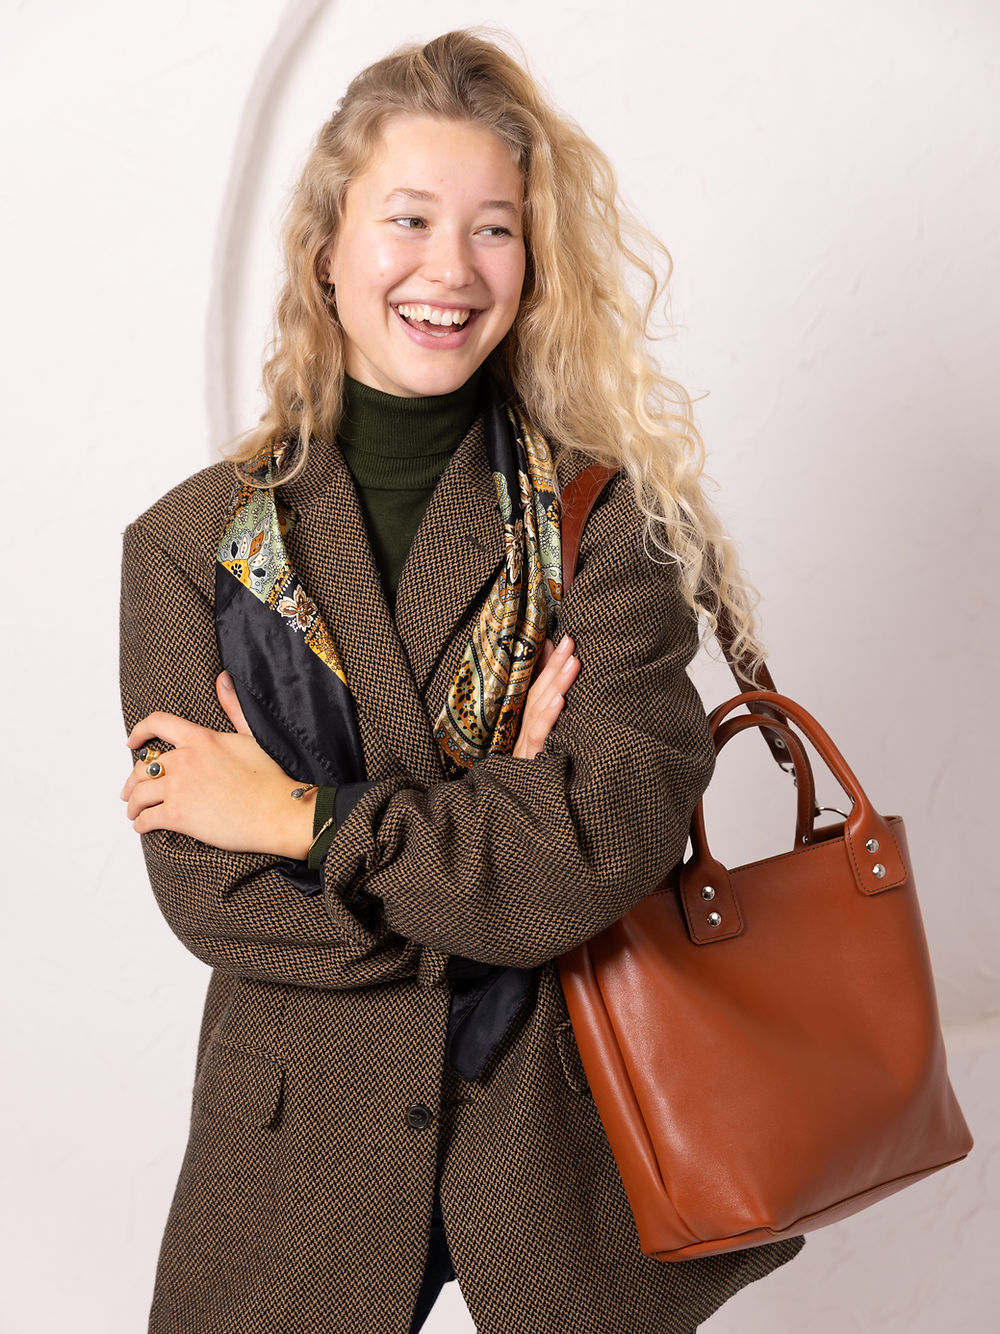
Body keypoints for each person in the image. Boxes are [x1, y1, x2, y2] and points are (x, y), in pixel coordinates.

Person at [119, 29, 803, 1334]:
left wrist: (301, 817)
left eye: (495, 227)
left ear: (532, 263)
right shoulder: (185, 545)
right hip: (292, 1160)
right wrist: (505, 835)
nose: (451, 267)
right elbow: (212, 896)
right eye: (410, 218)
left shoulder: (607, 524)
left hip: (557, 1148)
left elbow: (607, 838)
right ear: (326, 247)